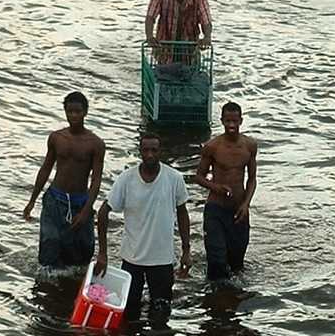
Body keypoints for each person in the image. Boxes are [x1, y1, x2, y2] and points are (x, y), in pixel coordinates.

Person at [95, 132, 191, 320]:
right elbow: (103, 212)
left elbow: (182, 213)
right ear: (140, 151)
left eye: (154, 150)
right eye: (145, 150)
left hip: (162, 260)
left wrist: (186, 251)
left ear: (160, 151)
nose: (149, 155)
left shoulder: (174, 178)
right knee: (129, 314)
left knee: (161, 313)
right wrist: (103, 253)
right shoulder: (126, 179)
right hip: (132, 260)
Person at [22, 92, 106, 268]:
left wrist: (86, 210)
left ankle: (75, 287)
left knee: (82, 252)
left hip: (80, 202)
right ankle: (47, 290)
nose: (74, 116)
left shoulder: (95, 144)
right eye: (70, 111)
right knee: (49, 247)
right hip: (55, 199)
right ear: (65, 112)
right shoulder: (57, 138)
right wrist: (32, 201)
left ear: (85, 112)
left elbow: (96, 180)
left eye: (78, 111)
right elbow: (45, 168)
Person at [195, 102, 257, 279]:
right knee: (216, 261)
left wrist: (246, 205)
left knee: (237, 263)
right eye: (228, 121)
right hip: (216, 208)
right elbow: (198, 176)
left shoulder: (250, 146)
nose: (231, 125)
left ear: (241, 121)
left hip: (239, 210)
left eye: (235, 121)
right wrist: (216, 187)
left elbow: (252, 179)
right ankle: (212, 298)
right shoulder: (212, 146)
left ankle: (233, 298)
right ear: (222, 121)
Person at [145, 0, 213, 59]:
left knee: (189, 68)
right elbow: (150, 17)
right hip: (165, 46)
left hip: (190, 47)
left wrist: (207, 37)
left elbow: (205, 18)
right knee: (164, 70)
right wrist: (150, 37)